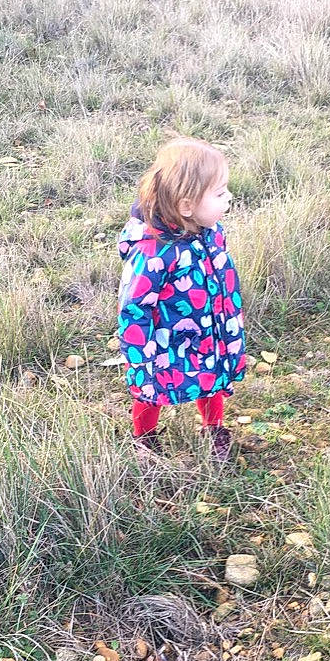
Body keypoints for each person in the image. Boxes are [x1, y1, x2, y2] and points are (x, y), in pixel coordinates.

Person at [118, 137, 246, 463]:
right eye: (220, 193)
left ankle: (213, 429)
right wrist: (140, 354)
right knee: (150, 388)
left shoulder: (210, 231)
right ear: (186, 205)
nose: (229, 198)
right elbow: (134, 306)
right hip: (164, 341)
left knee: (212, 377)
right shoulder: (154, 251)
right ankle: (145, 439)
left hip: (211, 328)